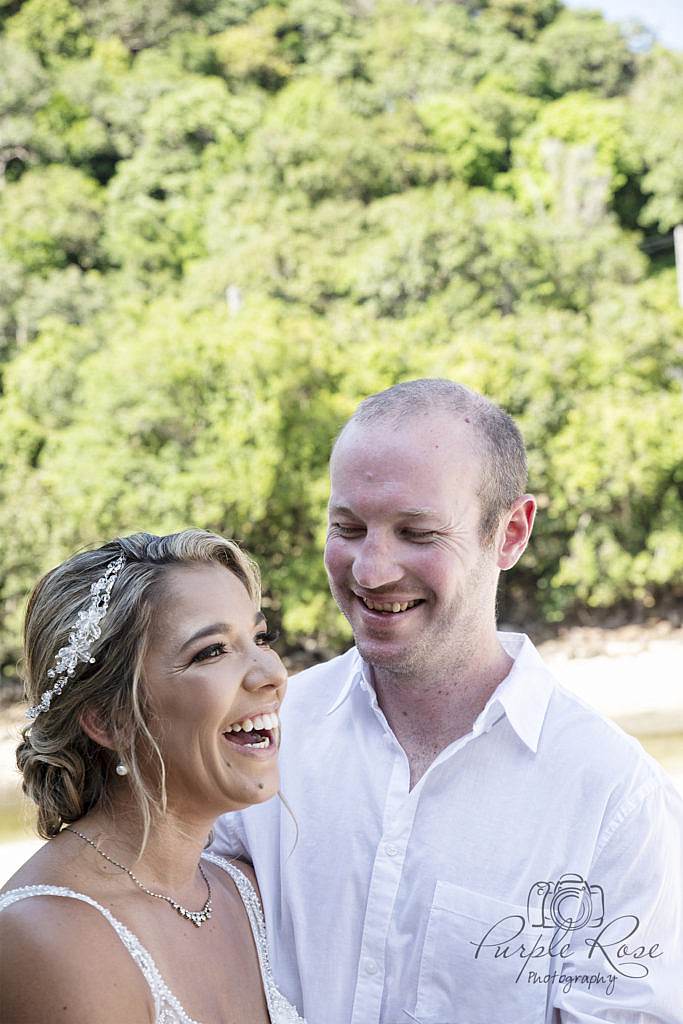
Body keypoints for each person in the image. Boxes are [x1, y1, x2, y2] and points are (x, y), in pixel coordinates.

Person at [214, 379, 683, 1024]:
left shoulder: (615, 799)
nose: (371, 572)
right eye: (347, 528)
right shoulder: (260, 736)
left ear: (511, 533)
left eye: (418, 533)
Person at [0, 529, 304, 1024]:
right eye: (212, 651)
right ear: (107, 718)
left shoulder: (241, 892)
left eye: (260, 637)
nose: (271, 673)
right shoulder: (52, 939)